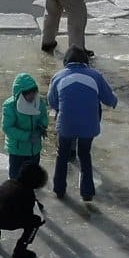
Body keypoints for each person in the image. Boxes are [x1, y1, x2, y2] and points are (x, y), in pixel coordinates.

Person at [48, 48, 118, 202]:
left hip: (66, 125)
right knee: (84, 154)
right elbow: (109, 99)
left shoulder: (58, 77)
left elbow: (52, 101)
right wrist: (113, 100)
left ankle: (59, 189)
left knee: (62, 154)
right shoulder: (95, 76)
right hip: (89, 126)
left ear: (66, 62)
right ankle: (87, 192)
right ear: (85, 61)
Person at [0, 164, 48, 258]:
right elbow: (27, 216)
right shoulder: (28, 194)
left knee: (0, 210)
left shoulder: (9, 182)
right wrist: (38, 221)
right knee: (35, 221)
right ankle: (20, 250)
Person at [0, 73, 49, 180]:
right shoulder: (10, 106)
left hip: (34, 149)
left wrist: (42, 126)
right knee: (16, 179)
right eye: (28, 93)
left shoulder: (39, 102)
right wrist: (27, 136)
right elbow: (7, 127)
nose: (32, 96)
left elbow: (44, 117)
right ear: (20, 93)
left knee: (32, 179)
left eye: (34, 92)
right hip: (17, 151)